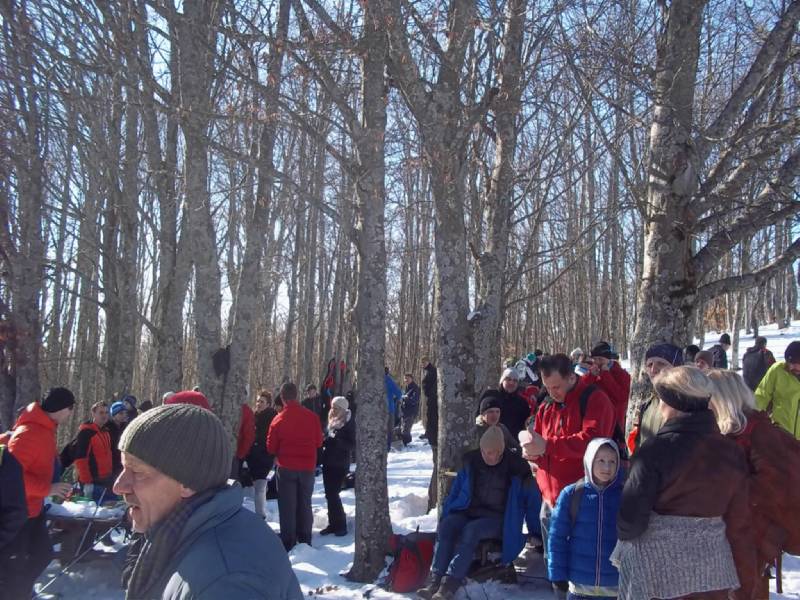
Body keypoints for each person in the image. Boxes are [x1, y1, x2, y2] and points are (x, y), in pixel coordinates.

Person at [113, 403, 302, 599]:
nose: (118, 486)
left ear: (188, 481)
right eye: (123, 468)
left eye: (137, 471)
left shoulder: (226, 582)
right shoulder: (189, 532)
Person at [614, 366, 751, 600]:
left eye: (662, 400)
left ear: (674, 404)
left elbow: (630, 523)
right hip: (712, 576)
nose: (659, 407)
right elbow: (739, 520)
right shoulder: (732, 452)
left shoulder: (654, 451)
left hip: (657, 577)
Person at [708, 369, 800, 598]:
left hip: (752, 538)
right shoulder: (730, 430)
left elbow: (774, 487)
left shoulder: (757, 431)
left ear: (723, 398)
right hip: (735, 536)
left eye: (708, 398)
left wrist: (731, 496)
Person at [417, 426, 536, 600]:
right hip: (469, 511)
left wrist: (535, 531)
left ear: (501, 451)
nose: (488, 456)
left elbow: (531, 500)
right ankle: (434, 580)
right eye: (485, 452)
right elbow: (456, 491)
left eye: (493, 453)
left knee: (472, 531)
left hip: (499, 518)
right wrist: (447, 511)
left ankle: (449, 584)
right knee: (447, 526)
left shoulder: (516, 467)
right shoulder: (471, 461)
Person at [523, 354, 616, 564]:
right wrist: (534, 454)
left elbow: (593, 441)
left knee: (580, 564)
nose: (552, 393)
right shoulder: (547, 406)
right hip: (549, 499)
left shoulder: (594, 399)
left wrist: (547, 446)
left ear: (571, 377)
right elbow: (541, 443)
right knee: (553, 563)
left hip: (581, 499)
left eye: (556, 387)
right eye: (547, 387)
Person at [3, 388, 75, 599]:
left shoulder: (46, 429)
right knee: (15, 566)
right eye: (71, 408)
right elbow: (10, 479)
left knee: (42, 554)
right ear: (62, 408)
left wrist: (54, 486)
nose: (71, 413)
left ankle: (22, 592)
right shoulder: (28, 433)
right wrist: (48, 489)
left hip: (34, 509)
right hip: (17, 513)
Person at [547, 438, 624, 599]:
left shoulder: (624, 496)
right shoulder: (572, 494)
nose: (607, 467)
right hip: (579, 588)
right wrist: (557, 574)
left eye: (612, 461)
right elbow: (557, 537)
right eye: (601, 460)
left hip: (615, 587)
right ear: (589, 460)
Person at [267, 382, 323, 550]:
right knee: (305, 503)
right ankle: (305, 538)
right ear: (297, 395)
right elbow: (319, 441)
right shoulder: (311, 417)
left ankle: (288, 540)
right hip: (307, 467)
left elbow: (270, 447)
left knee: (287, 505)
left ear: (282, 398)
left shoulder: (278, 419)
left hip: (286, 467)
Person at [629, 342, 684, 452]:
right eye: (650, 365)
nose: (653, 370)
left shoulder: (686, 403)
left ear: (676, 367)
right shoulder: (647, 405)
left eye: (661, 364)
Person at [320, 396, 355, 536]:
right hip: (328, 461)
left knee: (334, 494)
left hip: (340, 463)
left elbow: (352, 444)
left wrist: (338, 440)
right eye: (332, 407)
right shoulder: (331, 420)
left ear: (342, 409)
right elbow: (328, 437)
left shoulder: (348, 422)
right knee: (329, 494)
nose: (333, 410)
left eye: (336, 408)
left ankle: (341, 524)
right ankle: (332, 523)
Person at [582, 341, 631, 431]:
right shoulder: (592, 373)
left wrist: (606, 375)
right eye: (595, 359)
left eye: (600, 359)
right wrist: (590, 376)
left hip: (615, 423)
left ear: (608, 359)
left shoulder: (621, 374)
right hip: (595, 421)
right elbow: (581, 390)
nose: (597, 362)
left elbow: (622, 397)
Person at [74, 401, 114, 502]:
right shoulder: (86, 432)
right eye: (101, 412)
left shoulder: (105, 432)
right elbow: (80, 459)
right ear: (93, 413)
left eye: (106, 412)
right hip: (93, 482)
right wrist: (87, 482)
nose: (104, 415)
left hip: (106, 479)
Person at [248, 391, 277, 519]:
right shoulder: (254, 416)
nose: (258, 404)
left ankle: (260, 516)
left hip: (265, 457)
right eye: (258, 401)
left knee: (260, 487)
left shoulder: (272, 417)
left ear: (268, 404)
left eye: (262, 402)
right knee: (258, 488)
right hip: (252, 457)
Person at [495, 368, 533, 438]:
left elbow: (526, 424)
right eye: (508, 379)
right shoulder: (494, 398)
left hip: (516, 441)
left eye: (515, 380)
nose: (511, 383)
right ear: (502, 380)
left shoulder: (522, 403)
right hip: (496, 439)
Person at [106, 401, 128, 476]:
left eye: (125, 413)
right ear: (114, 415)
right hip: (110, 464)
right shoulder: (107, 428)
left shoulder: (126, 427)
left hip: (122, 462)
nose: (124, 415)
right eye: (121, 413)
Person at [235, 402, 255, 478]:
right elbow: (249, 436)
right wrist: (241, 454)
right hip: (235, 453)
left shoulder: (246, 411)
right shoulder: (246, 410)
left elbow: (248, 436)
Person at [400, 373, 421, 446]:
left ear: (411, 379)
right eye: (405, 378)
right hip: (404, 411)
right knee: (403, 428)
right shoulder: (406, 387)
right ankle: (406, 443)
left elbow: (415, 400)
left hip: (411, 411)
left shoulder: (415, 388)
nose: (406, 380)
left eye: (408, 378)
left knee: (406, 429)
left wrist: (406, 398)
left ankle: (407, 444)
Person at [385, 367, 402, 449]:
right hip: (389, 408)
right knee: (389, 429)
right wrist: (396, 399)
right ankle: (387, 447)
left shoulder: (373, 380)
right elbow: (399, 393)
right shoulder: (389, 381)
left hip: (377, 411)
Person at [422, 359, 438, 445]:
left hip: (433, 399)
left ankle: (432, 438)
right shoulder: (427, 371)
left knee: (432, 418)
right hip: (431, 398)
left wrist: (430, 393)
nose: (423, 364)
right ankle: (429, 434)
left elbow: (430, 384)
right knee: (430, 417)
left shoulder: (432, 371)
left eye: (424, 362)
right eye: (422, 363)